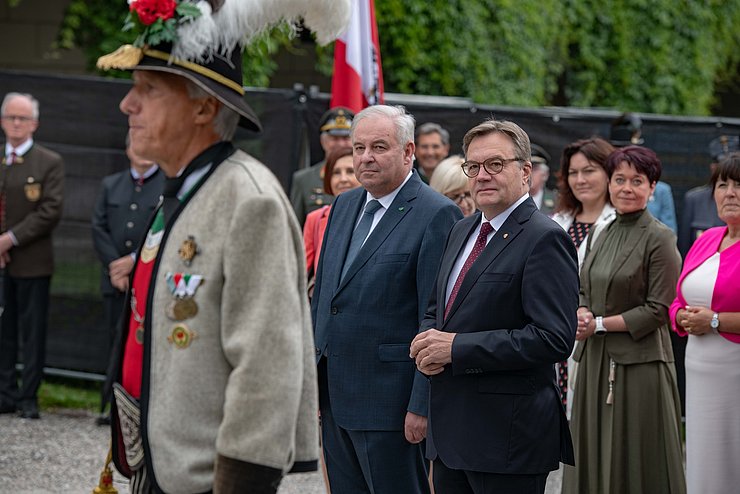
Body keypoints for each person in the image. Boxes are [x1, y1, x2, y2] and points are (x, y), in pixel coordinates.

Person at [94, 0, 351, 491]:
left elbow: (266, 368)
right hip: (160, 468)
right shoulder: (182, 191)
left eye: (148, 89)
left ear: (204, 107)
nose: (129, 104)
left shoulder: (247, 199)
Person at [410, 119, 578, 494]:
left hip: (507, 440)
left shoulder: (545, 238)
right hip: (451, 437)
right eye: (474, 166)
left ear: (525, 171)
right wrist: (426, 341)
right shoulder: (462, 230)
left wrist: (455, 348)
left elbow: (552, 338)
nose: (482, 175)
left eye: (495, 164)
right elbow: (439, 309)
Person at [311, 105, 461, 493]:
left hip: (390, 405)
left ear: (408, 152)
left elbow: (435, 318)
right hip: (334, 398)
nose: (365, 157)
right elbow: (325, 299)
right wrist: (311, 384)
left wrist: (421, 404)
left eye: (379, 146)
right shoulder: (343, 206)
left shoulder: (435, 213)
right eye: (359, 148)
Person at [562, 145, 685, 494]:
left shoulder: (660, 237)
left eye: (637, 180)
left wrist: (598, 324)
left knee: (633, 454)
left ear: (652, 187)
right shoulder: (603, 231)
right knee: (591, 447)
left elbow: (658, 309)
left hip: (638, 364)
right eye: (619, 180)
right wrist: (583, 311)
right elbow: (584, 286)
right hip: (595, 359)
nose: (626, 188)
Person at [669, 152, 740, 494]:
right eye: (723, 184)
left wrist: (714, 320)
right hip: (699, 369)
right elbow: (679, 298)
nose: (730, 193)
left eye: (739, 185)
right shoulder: (707, 238)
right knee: (701, 456)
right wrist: (680, 316)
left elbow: (709, 312)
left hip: (733, 371)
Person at [91, 134, 164, 424]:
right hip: (114, 281)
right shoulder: (111, 184)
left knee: (141, 343)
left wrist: (133, 264)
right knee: (113, 341)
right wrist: (114, 267)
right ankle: (111, 406)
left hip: (145, 281)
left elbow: (162, 227)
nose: (143, 151)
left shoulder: (166, 185)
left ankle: (138, 406)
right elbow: (98, 226)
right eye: (137, 144)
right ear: (127, 150)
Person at [0, 92, 64, 420]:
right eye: (11, 117)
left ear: (34, 123)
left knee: (32, 331)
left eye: (22, 118)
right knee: (3, 329)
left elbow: (49, 211)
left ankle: (29, 397)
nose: (15, 123)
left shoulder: (48, 162)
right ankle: (6, 393)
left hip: (32, 262)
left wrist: (9, 240)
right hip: (1, 264)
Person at [551, 137, 616, 417]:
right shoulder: (557, 221)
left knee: (586, 419)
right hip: (553, 331)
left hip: (598, 337)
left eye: (589, 170)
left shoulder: (618, 224)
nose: (580, 179)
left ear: (609, 172)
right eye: (573, 172)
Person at [609, 112, 677, 231]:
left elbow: (669, 233)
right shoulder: (603, 188)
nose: (626, 189)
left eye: (636, 182)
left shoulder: (660, 191)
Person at [303, 145, 359, 281]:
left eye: (350, 171)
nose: (343, 179)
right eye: (336, 173)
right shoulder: (315, 219)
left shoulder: (377, 214)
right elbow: (300, 270)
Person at [290, 107, 354, 226]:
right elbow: (295, 227)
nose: (340, 144)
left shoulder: (365, 177)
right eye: (334, 138)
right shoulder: (304, 180)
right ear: (323, 141)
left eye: (346, 138)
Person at [678, 135, 737, 257]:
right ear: (713, 168)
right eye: (723, 185)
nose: (730, 193)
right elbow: (684, 248)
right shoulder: (694, 199)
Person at [529, 143, 557, 214]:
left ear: (545, 174)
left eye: (534, 169)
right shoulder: (511, 200)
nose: (529, 174)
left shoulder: (557, 201)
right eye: (525, 169)